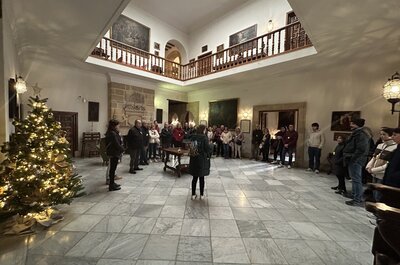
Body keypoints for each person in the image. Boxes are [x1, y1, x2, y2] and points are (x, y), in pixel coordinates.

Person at [343, 118, 371, 206]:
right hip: (353, 159)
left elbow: (361, 149)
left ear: (357, 125)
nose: (350, 125)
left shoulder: (361, 134)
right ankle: (354, 195)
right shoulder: (357, 133)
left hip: (356, 160)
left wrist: (353, 158)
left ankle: (357, 199)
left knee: (356, 179)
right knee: (354, 179)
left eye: (352, 123)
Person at [366, 127, 396, 201]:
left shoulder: (395, 147)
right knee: (373, 193)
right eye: (381, 134)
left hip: (382, 174)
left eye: (384, 134)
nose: (382, 136)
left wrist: (374, 170)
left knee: (378, 195)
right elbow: (374, 157)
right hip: (374, 173)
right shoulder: (380, 145)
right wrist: (368, 166)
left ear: (390, 135)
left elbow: (388, 164)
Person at [189, 124, 212, 200]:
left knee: (194, 178)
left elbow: (192, 149)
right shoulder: (204, 138)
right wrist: (211, 146)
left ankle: (193, 194)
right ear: (203, 130)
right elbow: (207, 149)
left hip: (194, 159)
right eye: (205, 129)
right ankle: (202, 195)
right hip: (201, 159)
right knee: (201, 177)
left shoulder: (194, 137)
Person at [105, 119, 124, 191]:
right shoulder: (112, 133)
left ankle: (112, 183)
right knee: (112, 169)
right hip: (114, 152)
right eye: (117, 125)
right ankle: (111, 185)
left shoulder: (112, 132)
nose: (118, 126)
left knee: (113, 169)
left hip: (114, 152)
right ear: (114, 126)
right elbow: (116, 144)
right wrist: (122, 149)